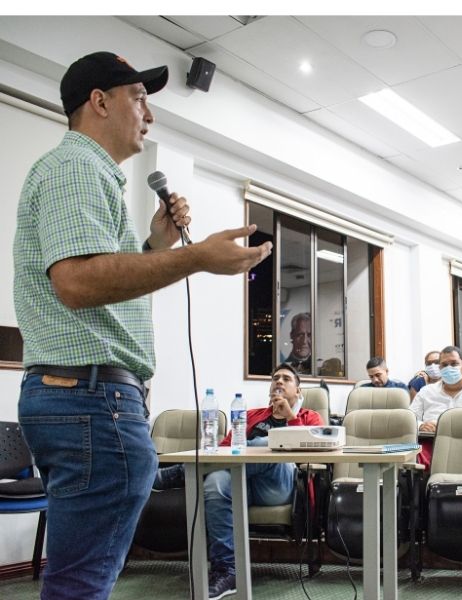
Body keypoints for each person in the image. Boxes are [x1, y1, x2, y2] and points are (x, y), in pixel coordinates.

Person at [13, 51, 273, 600]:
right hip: (89, 400)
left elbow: (100, 286)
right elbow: (78, 283)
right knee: (82, 584)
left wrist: (156, 245)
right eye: (139, 97)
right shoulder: (77, 167)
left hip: (80, 397)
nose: (148, 114)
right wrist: (196, 257)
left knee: (78, 577)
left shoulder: (85, 173)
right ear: (100, 102)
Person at [153, 364, 322, 599]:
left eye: (286, 379)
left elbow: (315, 452)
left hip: (279, 486)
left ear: (298, 391)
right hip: (242, 481)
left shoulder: (309, 416)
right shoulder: (252, 415)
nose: (279, 382)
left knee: (268, 443)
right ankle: (227, 571)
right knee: (214, 482)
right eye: (275, 378)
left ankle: (177, 474)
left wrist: (291, 418)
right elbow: (224, 451)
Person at [409, 345, 462, 465]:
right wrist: (421, 426)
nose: (449, 368)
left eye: (454, 364)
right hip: (431, 443)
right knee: (406, 454)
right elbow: (409, 419)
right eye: (444, 365)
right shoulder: (426, 392)